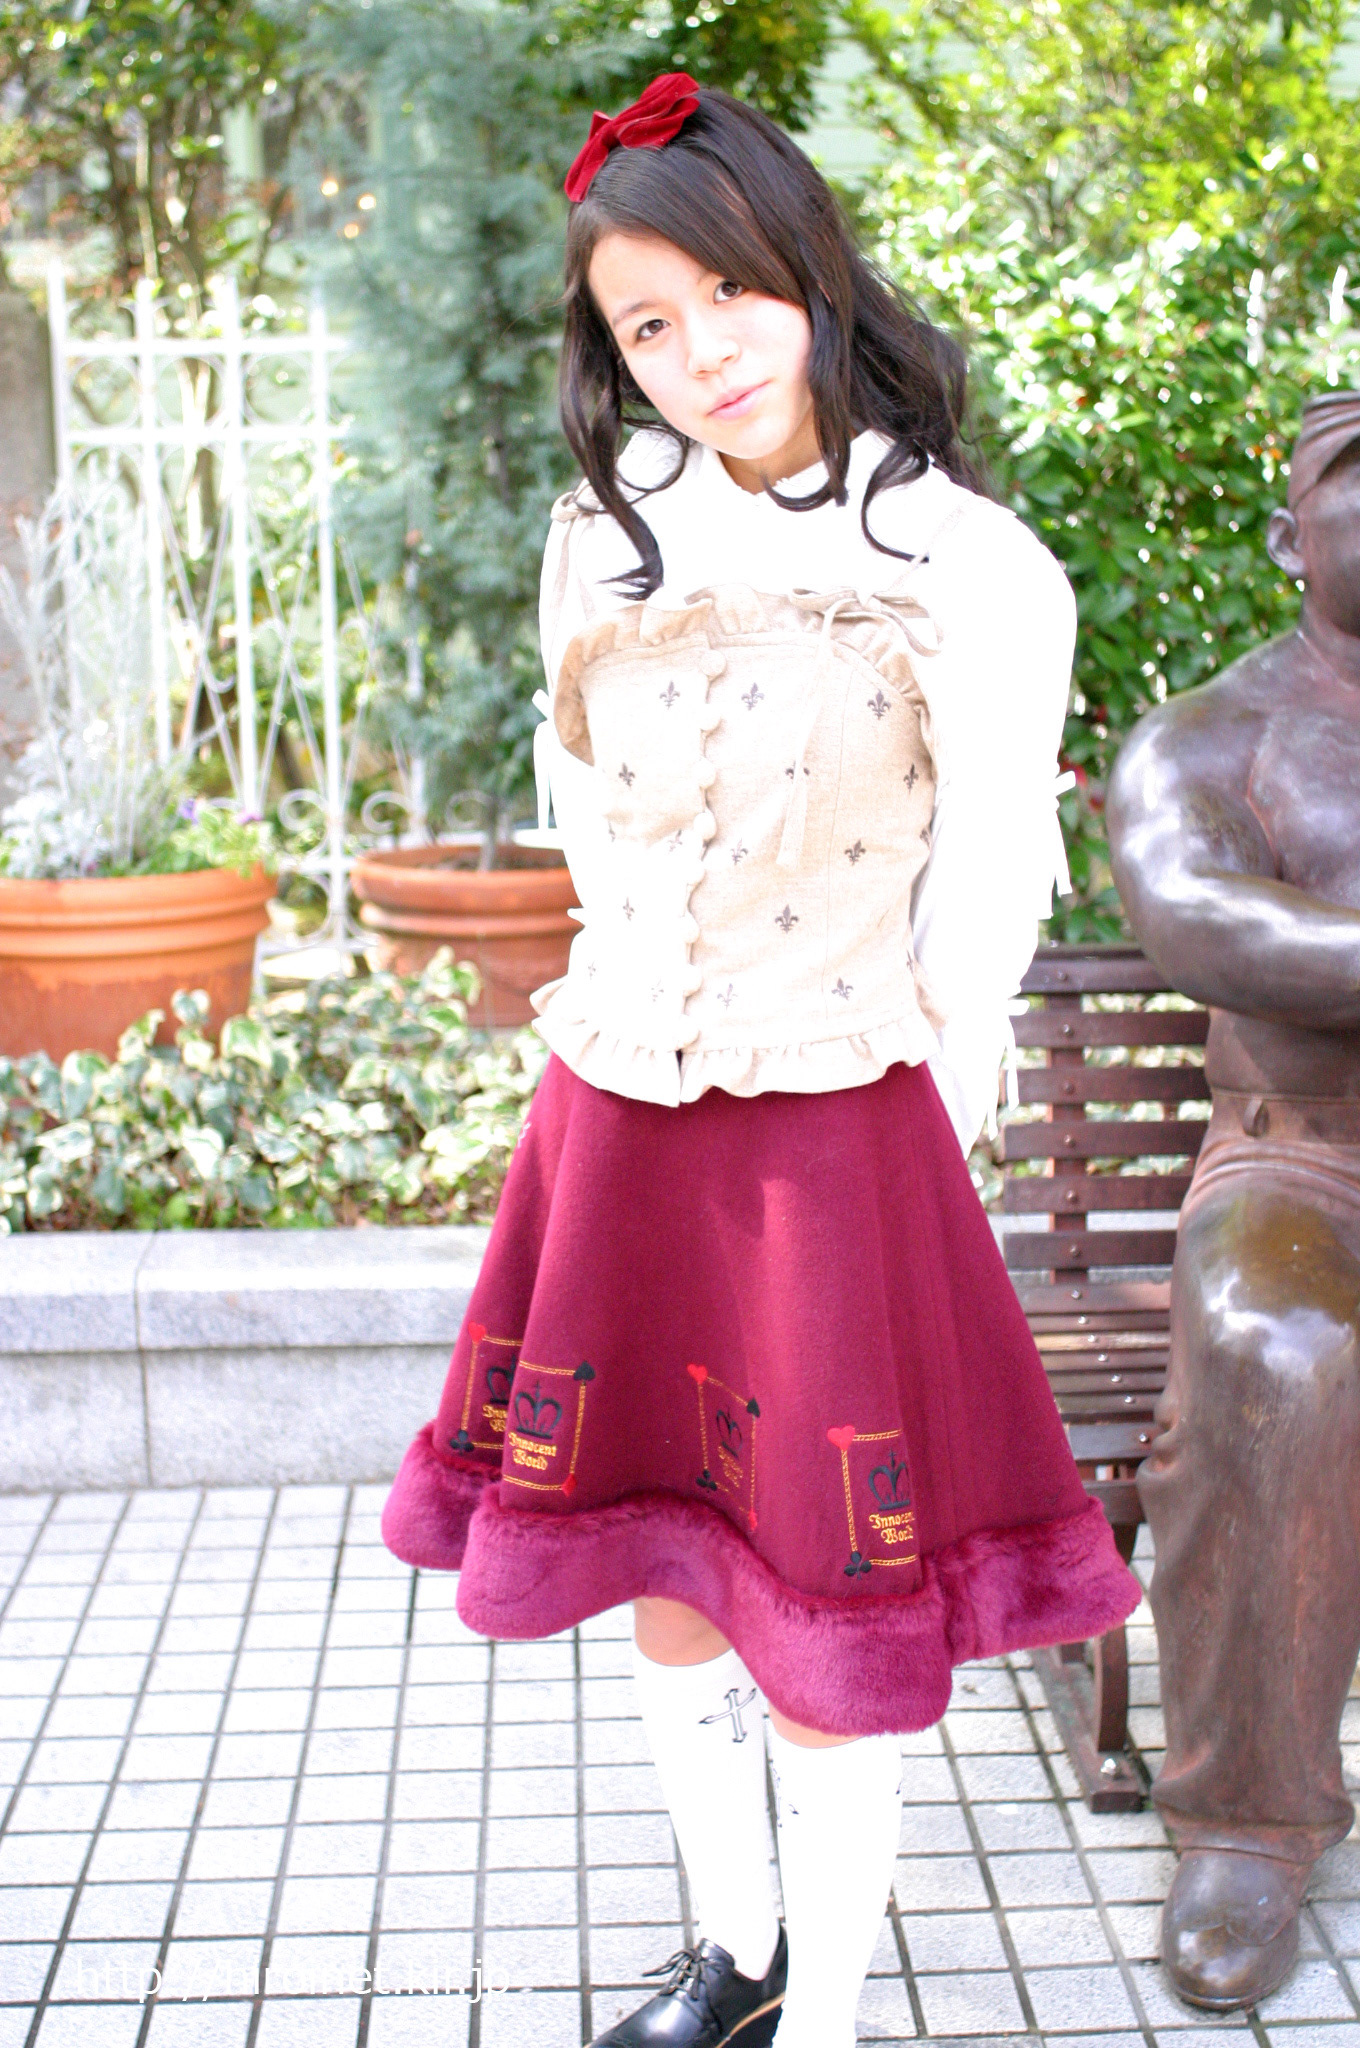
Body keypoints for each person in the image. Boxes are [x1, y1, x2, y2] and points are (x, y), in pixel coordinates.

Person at [383, 73, 1140, 2048]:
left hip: (835, 1142)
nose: (700, 350)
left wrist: (915, 1158)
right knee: (660, 1560)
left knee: (821, 1614)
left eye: (728, 291)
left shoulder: (968, 562)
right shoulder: (603, 539)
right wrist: (641, 1002)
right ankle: (740, 1949)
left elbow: (989, 885)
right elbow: (582, 817)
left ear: (805, 268)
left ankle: (828, 2019)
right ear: (610, 352)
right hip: (621, 1119)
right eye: (648, 323)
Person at [1106, 390, 1360, 2013]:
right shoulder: (1208, 738)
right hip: (1306, 1161)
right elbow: (1201, 917)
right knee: (1276, 1348)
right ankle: (1251, 1821)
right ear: (1290, 538)